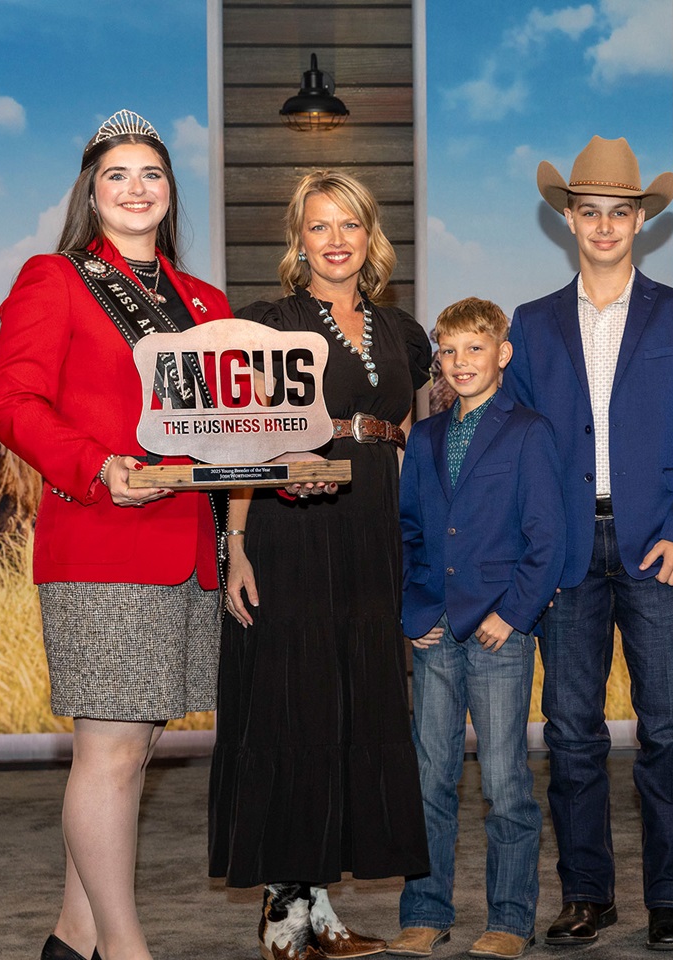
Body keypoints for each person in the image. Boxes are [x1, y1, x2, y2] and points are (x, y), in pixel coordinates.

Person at [0, 109, 233, 960]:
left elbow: (229, 428)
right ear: (92, 192)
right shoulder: (53, 279)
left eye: (152, 175)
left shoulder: (206, 302)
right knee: (111, 755)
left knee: (133, 751)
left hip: (187, 547)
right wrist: (96, 464)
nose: (136, 189)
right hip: (101, 539)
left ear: (170, 195)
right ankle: (127, 950)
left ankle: (71, 939)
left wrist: (286, 462)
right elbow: (13, 404)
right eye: (118, 175)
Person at [209, 170, 433, 960]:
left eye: (351, 226)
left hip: (368, 530)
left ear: (372, 238)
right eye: (319, 226)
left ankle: (321, 903)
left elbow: (407, 435)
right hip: (287, 529)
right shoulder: (267, 324)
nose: (336, 240)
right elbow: (238, 440)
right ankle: (284, 908)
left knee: (349, 704)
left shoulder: (404, 332)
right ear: (297, 239)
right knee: (292, 701)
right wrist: (234, 543)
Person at [503, 136, 673, 951]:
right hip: (565, 556)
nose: (603, 226)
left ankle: (670, 897)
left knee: (668, 729)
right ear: (567, 219)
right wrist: (537, 552)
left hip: (656, 548)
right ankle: (587, 892)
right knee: (570, 730)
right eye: (588, 211)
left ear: (641, 220)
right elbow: (521, 451)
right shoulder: (532, 324)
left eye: (618, 212)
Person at [389, 298, 566, 960]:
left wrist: (511, 613)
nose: (459, 362)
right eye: (447, 349)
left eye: (473, 348)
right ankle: (426, 910)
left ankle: (510, 918)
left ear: (503, 354)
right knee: (430, 778)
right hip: (435, 634)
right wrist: (414, 612)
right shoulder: (427, 437)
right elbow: (409, 533)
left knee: (504, 782)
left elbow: (546, 540)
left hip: (499, 634)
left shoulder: (528, 431)